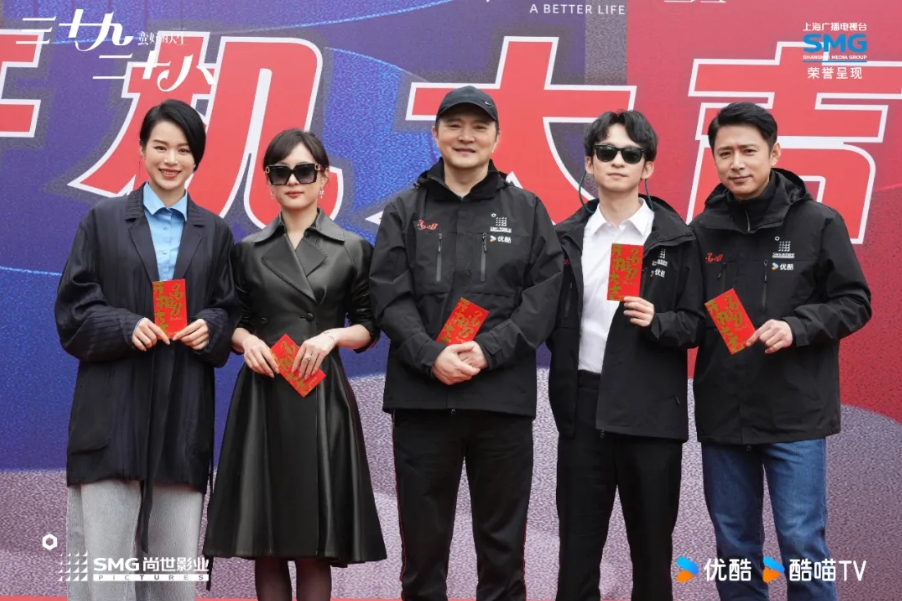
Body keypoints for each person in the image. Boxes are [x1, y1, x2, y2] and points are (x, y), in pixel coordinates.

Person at [369, 85, 563, 601]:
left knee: (503, 553)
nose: (466, 136)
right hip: (423, 401)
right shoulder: (404, 209)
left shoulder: (526, 209)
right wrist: (430, 355)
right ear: (435, 135)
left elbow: (544, 297)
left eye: (479, 126)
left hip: (499, 403)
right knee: (422, 555)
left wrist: (489, 350)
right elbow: (388, 295)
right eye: (454, 125)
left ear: (497, 137)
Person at [55, 99, 239, 601]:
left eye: (184, 149)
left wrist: (210, 326)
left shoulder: (215, 232)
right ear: (140, 149)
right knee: (104, 571)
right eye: (160, 146)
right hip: (111, 413)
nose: (171, 159)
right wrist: (125, 324)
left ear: (197, 158)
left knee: (172, 573)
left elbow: (229, 309)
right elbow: (72, 310)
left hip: (181, 414)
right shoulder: (103, 220)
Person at [691, 102, 872, 601]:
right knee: (734, 547)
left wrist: (797, 326)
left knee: (800, 542)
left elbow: (855, 302)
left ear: (774, 153)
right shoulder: (701, 229)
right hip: (724, 414)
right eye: (725, 153)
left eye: (748, 150)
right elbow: (695, 314)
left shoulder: (818, 222)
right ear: (714, 158)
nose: (737, 163)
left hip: (796, 413)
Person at [203, 129, 386, 601]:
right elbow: (232, 319)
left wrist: (331, 336)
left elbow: (369, 326)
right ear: (268, 181)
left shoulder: (352, 247)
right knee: (266, 541)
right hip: (263, 394)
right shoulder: (247, 250)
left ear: (324, 179)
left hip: (320, 395)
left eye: (305, 171)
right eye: (280, 172)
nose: (293, 181)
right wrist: (246, 340)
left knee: (312, 543)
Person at [546, 110, 704, 601]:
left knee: (653, 554)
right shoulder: (561, 238)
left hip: (651, 409)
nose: (618, 161)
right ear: (589, 163)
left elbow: (699, 323)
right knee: (577, 554)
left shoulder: (678, 239)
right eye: (607, 152)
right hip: (583, 407)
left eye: (631, 154)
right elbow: (541, 317)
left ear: (647, 166)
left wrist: (659, 321)